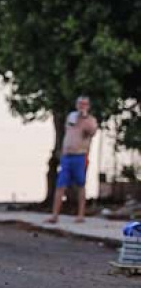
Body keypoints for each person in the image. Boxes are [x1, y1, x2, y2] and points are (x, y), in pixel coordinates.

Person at [46, 96, 99, 224]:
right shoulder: (71, 117)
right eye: (80, 104)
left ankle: (81, 215)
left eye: (84, 104)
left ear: (88, 106)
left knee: (80, 185)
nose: (82, 106)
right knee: (60, 184)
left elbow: (91, 132)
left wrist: (84, 118)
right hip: (67, 156)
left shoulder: (91, 120)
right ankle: (55, 215)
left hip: (80, 156)